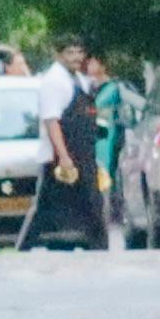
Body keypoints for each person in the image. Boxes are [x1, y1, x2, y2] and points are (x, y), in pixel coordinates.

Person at [24, 39, 120, 252]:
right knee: (47, 210)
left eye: (79, 52)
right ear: (59, 55)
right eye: (70, 53)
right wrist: (64, 157)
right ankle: (25, 248)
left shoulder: (78, 80)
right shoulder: (54, 81)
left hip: (84, 154)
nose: (76, 57)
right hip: (62, 158)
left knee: (91, 205)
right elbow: (51, 121)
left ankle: (96, 248)